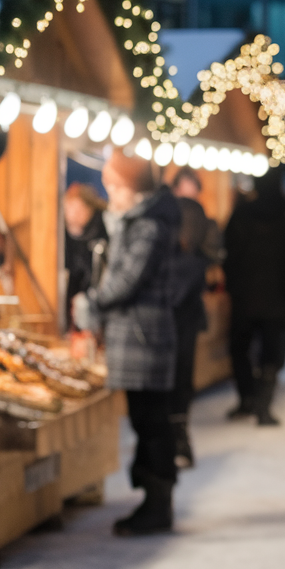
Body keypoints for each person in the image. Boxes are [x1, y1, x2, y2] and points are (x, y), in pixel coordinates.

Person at [74, 151, 181, 536]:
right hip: (140, 336)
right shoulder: (136, 223)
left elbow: (126, 281)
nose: (110, 193)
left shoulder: (147, 227)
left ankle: (157, 504)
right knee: (147, 419)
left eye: (114, 186)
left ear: (131, 189)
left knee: (151, 421)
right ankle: (153, 499)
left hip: (144, 337)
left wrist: (93, 303)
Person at [222, 170, 285, 427]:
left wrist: (234, 283)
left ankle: (247, 400)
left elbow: (229, 254)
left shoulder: (241, 214)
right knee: (272, 351)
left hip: (245, 296)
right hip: (276, 297)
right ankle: (264, 405)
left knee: (241, 349)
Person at [168, 168, 221, 466]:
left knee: (167, 378)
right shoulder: (203, 219)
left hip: (171, 308)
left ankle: (170, 445)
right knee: (181, 375)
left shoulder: (167, 216)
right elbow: (215, 252)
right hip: (187, 306)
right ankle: (180, 442)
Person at [63, 182, 108, 329]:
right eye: (70, 207)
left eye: (79, 208)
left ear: (90, 209)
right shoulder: (60, 234)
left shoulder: (103, 229)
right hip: (69, 294)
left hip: (97, 295)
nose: (73, 213)